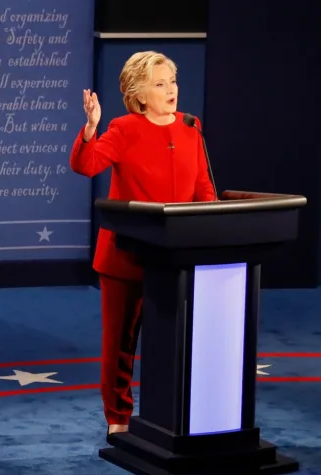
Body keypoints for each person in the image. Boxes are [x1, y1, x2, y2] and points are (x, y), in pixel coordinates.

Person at [69, 51, 215, 436]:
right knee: (120, 346)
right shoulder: (123, 128)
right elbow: (87, 165)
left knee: (175, 341)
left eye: (173, 82)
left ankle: (173, 416)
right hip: (126, 257)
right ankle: (118, 419)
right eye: (160, 84)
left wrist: (216, 230)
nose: (171, 90)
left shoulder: (190, 128)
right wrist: (90, 129)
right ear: (139, 93)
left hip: (177, 257)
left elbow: (203, 189)